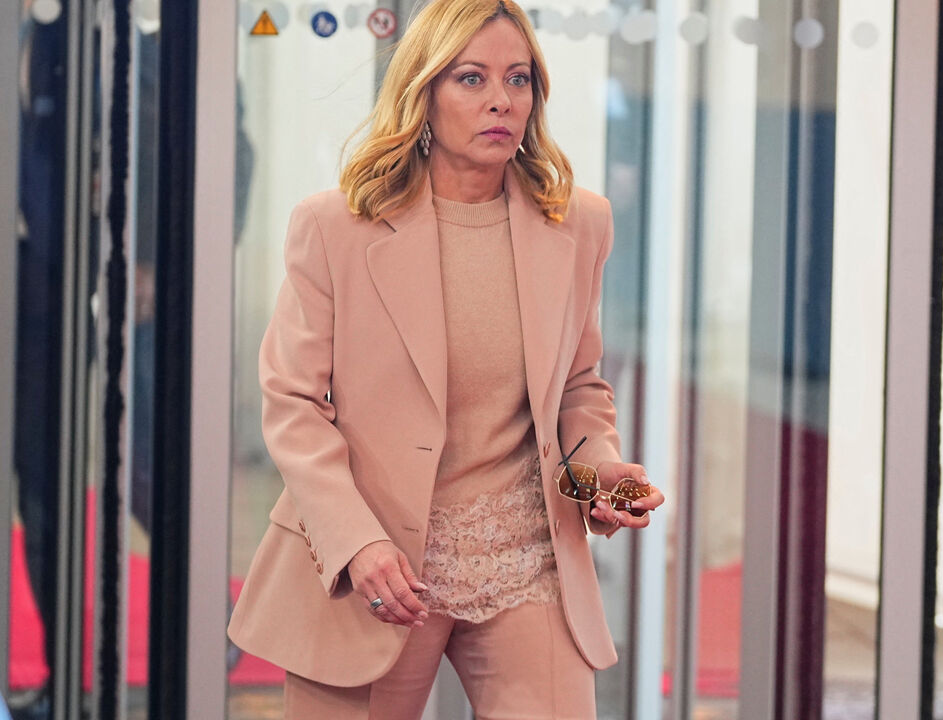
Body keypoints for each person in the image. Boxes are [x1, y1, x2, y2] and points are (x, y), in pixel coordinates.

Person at [227, 1, 665, 717]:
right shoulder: (335, 226)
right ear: (423, 92)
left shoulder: (579, 223)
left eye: (518, 79)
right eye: (471, 78)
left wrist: (600, 473)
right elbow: (293, 404)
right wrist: (355, 543)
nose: (501, 100)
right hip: (383, 565)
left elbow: (577, 387)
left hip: (527, 560)